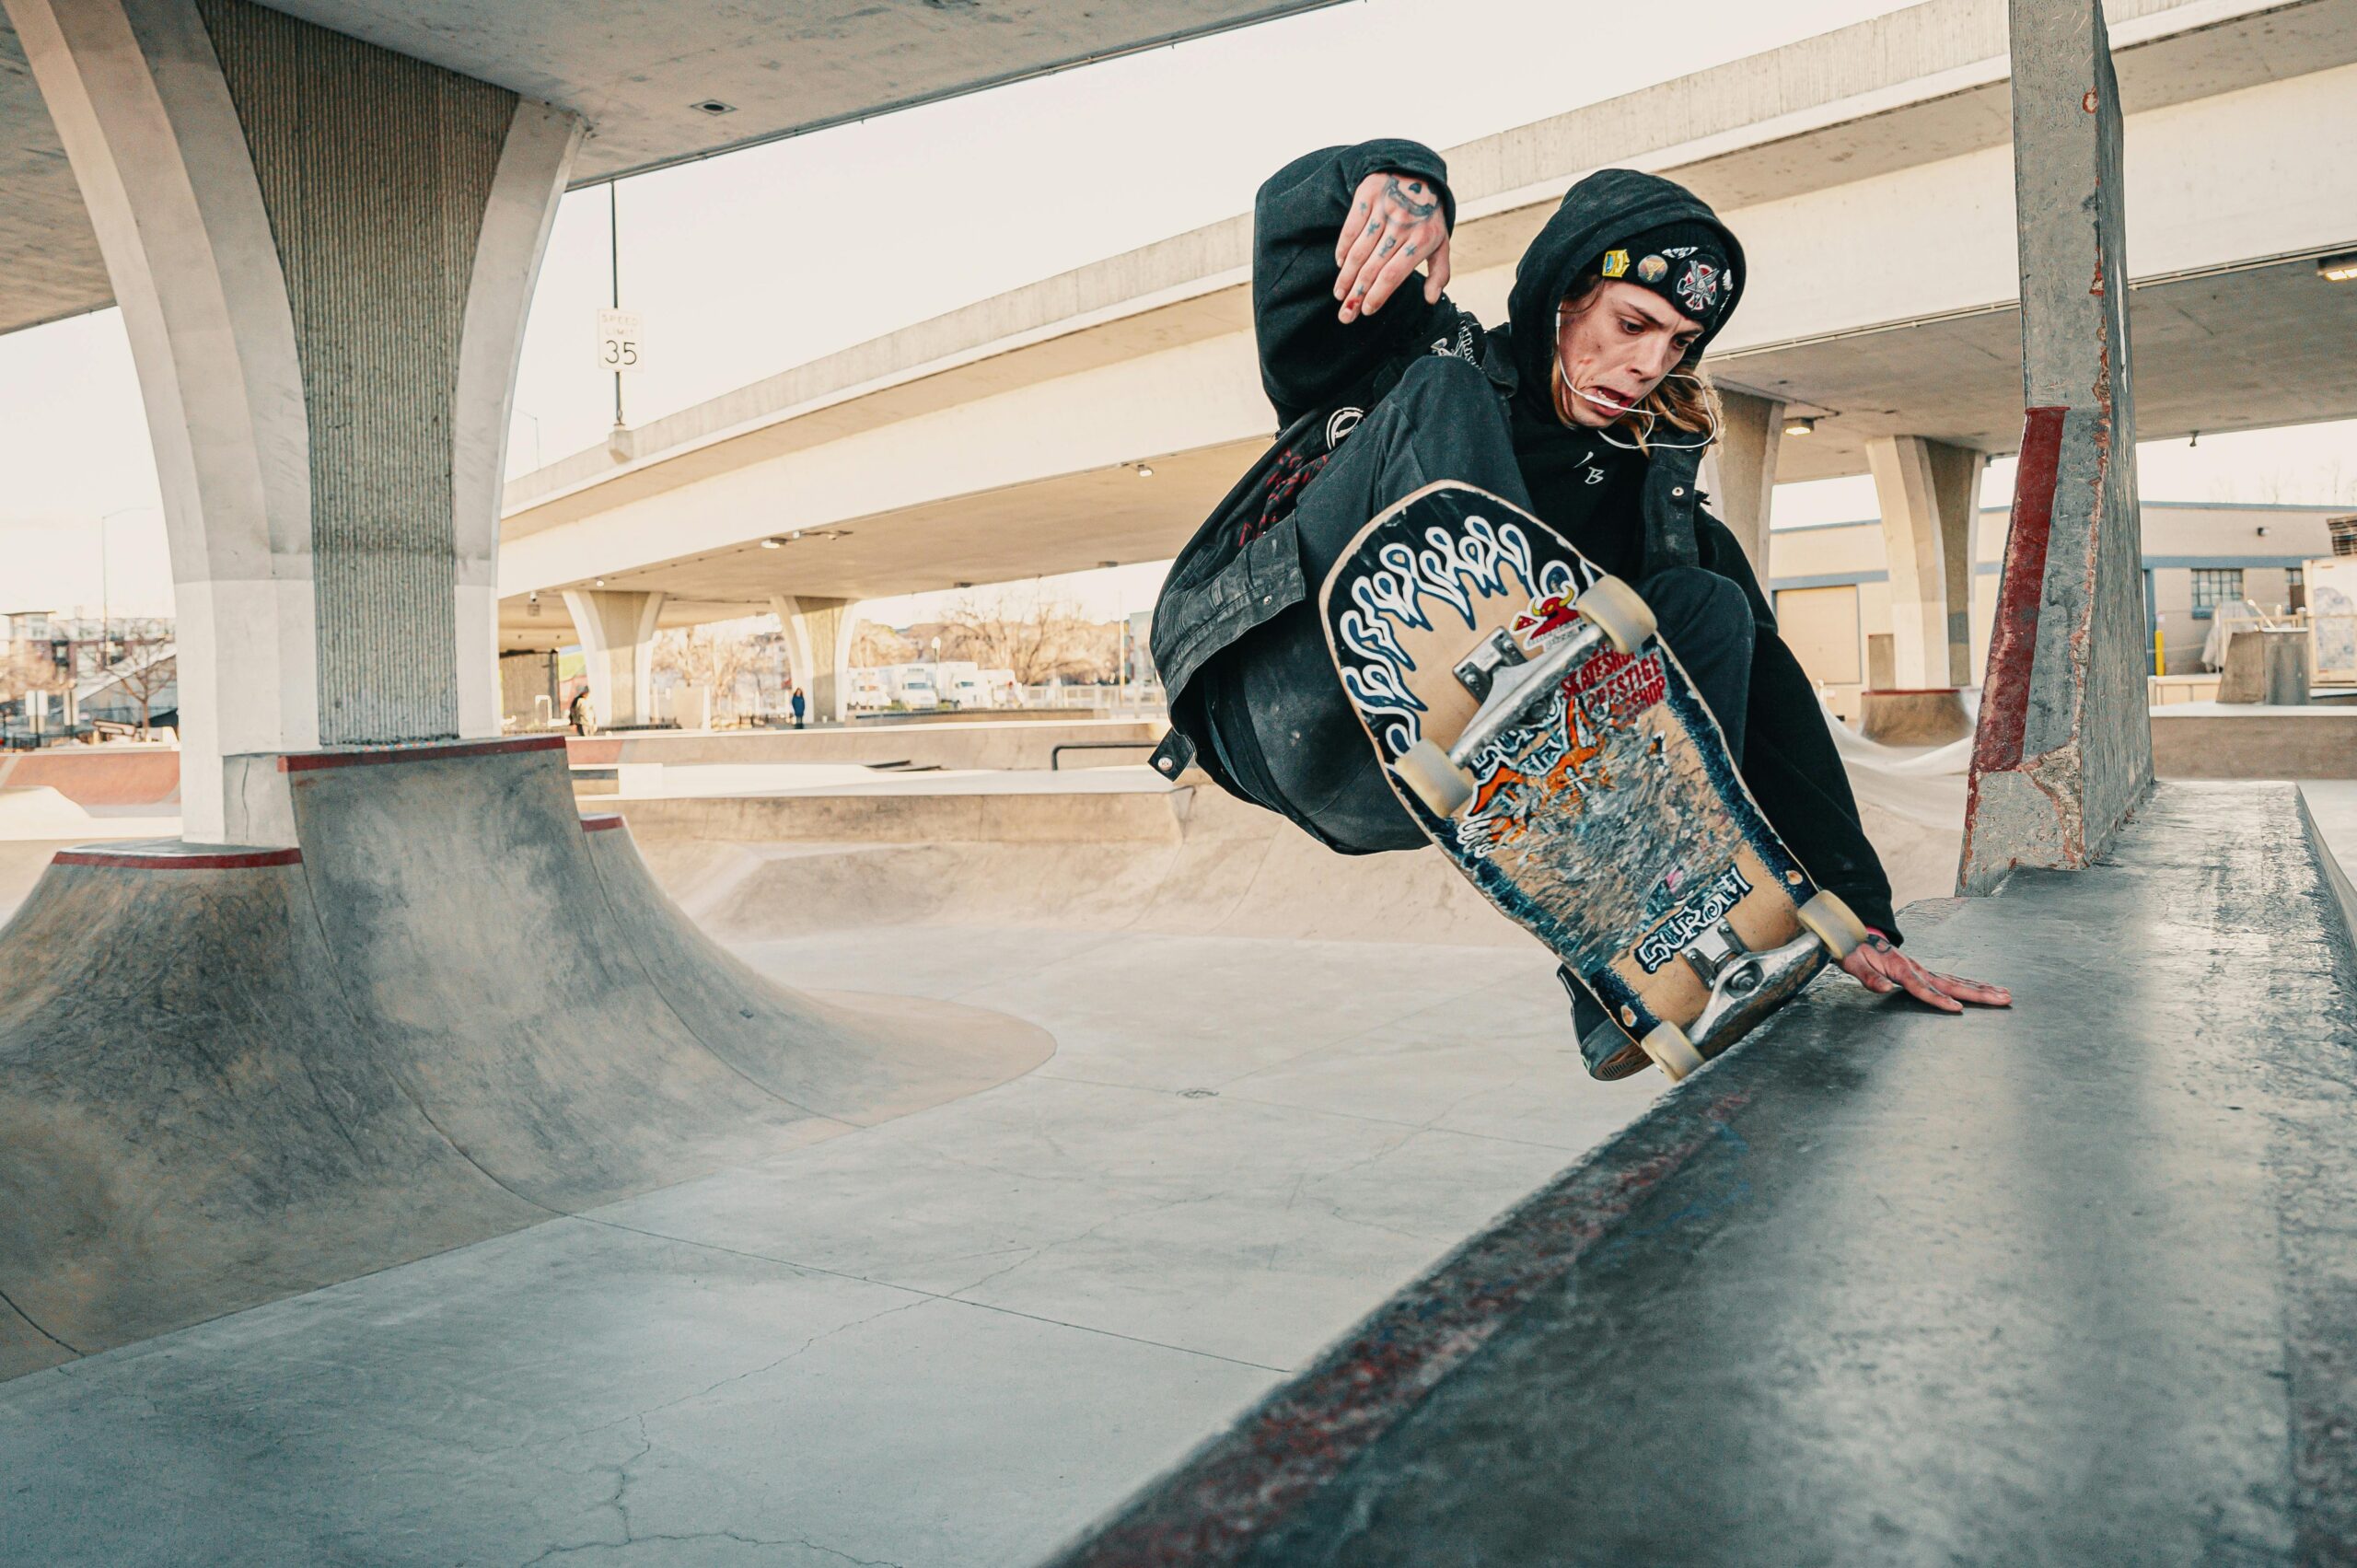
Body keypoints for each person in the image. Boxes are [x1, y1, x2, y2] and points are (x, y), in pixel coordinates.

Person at [1148, 139, 2007, 1077]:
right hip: (1283, 693)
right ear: (1564, 298)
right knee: (1444, 392)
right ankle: (1499, 646)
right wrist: (1400, 179)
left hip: (1407, 782)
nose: (1644, 364)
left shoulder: (1649, 505)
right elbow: (1295, 244)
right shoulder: (1416, 350)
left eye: (1674, 344)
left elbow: (1779, 712)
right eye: (1630, 322)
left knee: (1707, 604)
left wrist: (1854, 910)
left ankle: (1626, 974)